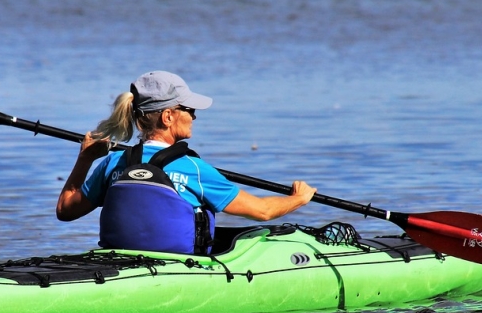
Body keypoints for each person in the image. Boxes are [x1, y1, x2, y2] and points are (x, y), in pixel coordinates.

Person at [56, 70, 316, 254]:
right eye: (189, 110)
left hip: (120, 262)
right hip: (180, 269)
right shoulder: (193, 169)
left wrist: (85, 158)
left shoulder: (112, 163)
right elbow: (262, 211)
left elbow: (66, 210)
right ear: (168, 117)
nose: (194, 117)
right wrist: (298, 199)